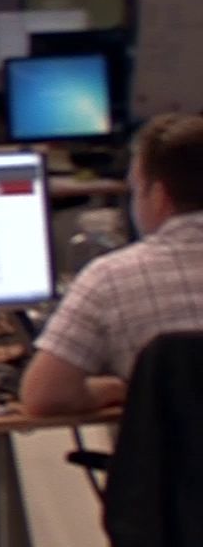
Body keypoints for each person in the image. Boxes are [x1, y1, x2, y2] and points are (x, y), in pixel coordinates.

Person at [23, 113, 203, 416]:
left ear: (159, 196)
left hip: (171, 448)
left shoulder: (110, 277)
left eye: (135, 190)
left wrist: (114, 389)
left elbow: (45, 396)